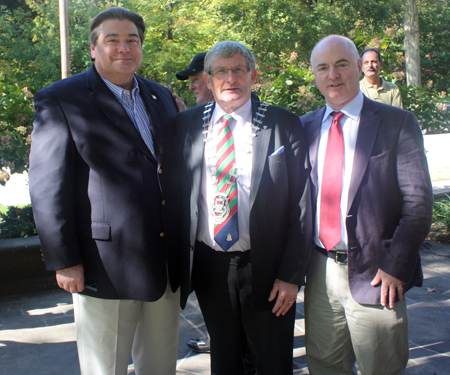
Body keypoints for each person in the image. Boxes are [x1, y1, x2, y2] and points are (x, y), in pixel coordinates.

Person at [29, 7, 184, 375]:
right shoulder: (61, 99)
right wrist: (64, 260)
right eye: (112, 40)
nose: (124, 48)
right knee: (105, 368)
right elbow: (47, 186)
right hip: (106, 266)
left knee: (161, 366)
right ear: (94, 49)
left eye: (132, 40)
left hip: (166, 263)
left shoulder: (160, 96)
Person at [175, 41, 312, 374]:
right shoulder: (185, 126)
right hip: (210, 267)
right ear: (208, 79)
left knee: (273, 360)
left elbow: (302, 206)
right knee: (225, 358)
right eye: (221, 71)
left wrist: (291, 276)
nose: (230, 78)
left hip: (267, 266)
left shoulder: (284, 124)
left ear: (254, 75)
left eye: (238, 69)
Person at [301, 35, 433, 375]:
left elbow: (418, 203)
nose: (333, 74)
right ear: (314, 75)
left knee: (382, 369)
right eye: (323, 67)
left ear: (359, 67)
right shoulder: (304, 128)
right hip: (320, 271)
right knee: (325, 366)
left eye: (342, 64)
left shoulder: (397, 123)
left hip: (378, 273)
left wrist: (396, 266)